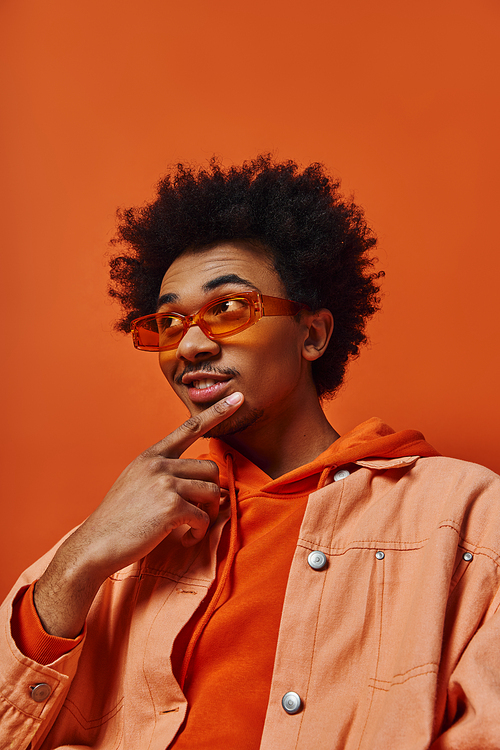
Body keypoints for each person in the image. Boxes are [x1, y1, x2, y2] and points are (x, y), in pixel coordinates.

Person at [1, 155, 500, 750]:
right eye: (168, 320)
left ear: (312, 335)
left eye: (229, 307)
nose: (187, 344)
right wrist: (81, 559)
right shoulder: (125, 526)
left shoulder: (468, 515)